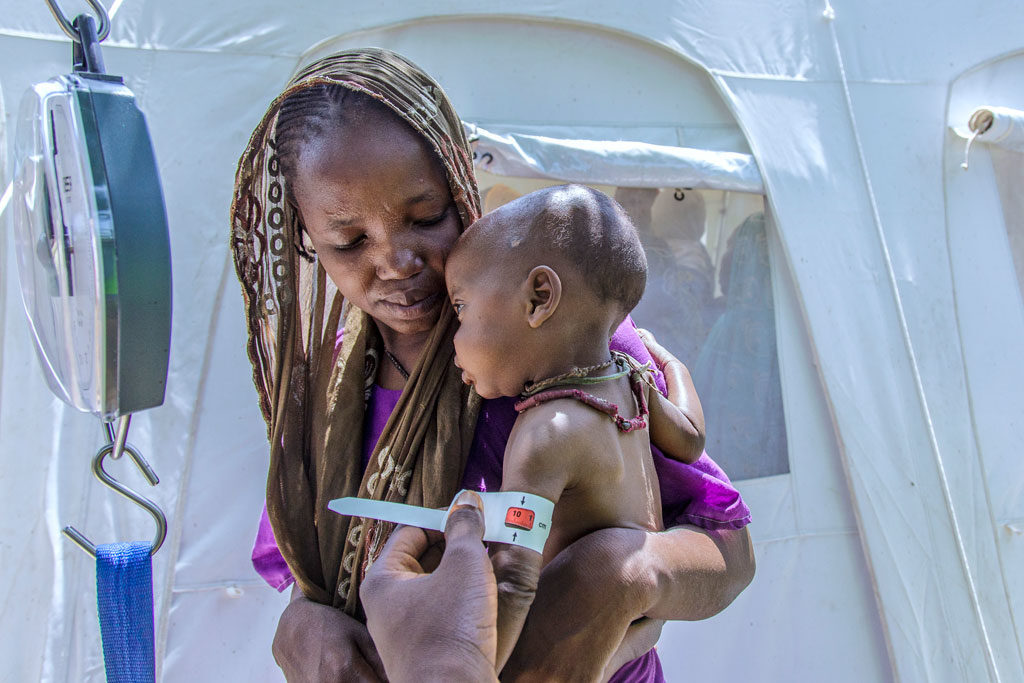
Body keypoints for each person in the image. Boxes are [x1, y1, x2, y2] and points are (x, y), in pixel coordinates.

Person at [231, 48, 753, 682]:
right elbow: (314, 572)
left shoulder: (565, 343)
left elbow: (730, 549)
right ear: (307, 240)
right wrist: (301, 626)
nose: (397, 261)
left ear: (460, 185)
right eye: (350, 242)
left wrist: (624, 572)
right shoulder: (324, 395)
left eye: (426, 217)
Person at [445, 184, 706, 671]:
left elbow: (514, 580)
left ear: (539, 298)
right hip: (638, 664)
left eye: (459, 309)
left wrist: (473, 672)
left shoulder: (547, 433)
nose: (452, 337)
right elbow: (690, 440)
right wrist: (668, 363)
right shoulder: (629, 382)